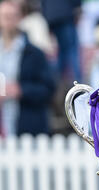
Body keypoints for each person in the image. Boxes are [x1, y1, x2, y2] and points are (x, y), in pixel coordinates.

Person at [0, 0, 55, 136]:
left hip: (26, 126)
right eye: (5, 16)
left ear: (20, 18)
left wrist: (21, 90)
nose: (8, 21)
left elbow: (48, 88)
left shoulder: (34, 53)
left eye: (12, 16)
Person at [41, 0, 82, 82]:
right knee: (72, 50)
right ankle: (78, 80)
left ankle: (58, 80)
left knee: (62, 51)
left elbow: (43, 4)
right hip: (66, 15)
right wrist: (77, 8)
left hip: (52, 17)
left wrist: (47, 19)